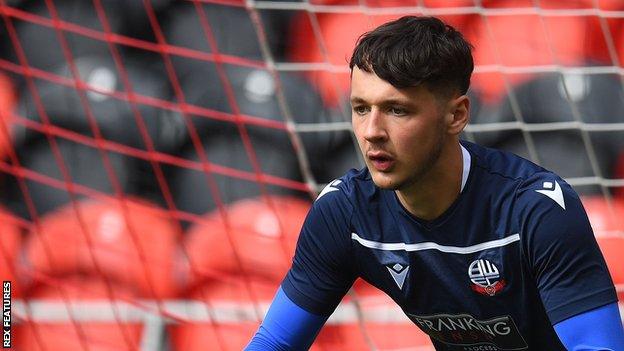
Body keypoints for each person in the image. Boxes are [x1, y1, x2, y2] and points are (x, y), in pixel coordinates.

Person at [245, 16, 624, 350]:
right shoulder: (345, 212)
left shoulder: (534, 211)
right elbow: (275, 341)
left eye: (397, 110)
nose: (371, 132)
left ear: (456, 115)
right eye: (361, 108)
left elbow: (598, 347)